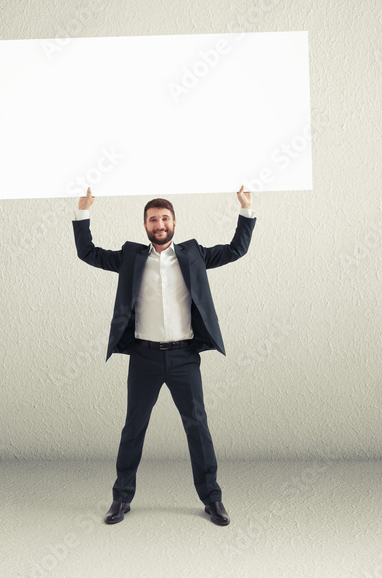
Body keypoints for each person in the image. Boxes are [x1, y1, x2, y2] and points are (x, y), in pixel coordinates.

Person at [72, 185, 256, 526]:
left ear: (174, 222)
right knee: (133, 429)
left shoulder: (194, 254)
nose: (159, 223)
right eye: (153, 219)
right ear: (145, 225)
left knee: (197, 427)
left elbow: (236, 249)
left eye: (165, 218)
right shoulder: (131, 256)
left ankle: (212, 499)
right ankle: (121, 499)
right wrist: (83, 211)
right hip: (144, 358)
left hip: (184, 357)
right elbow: (88, 253)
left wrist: (245, 209)